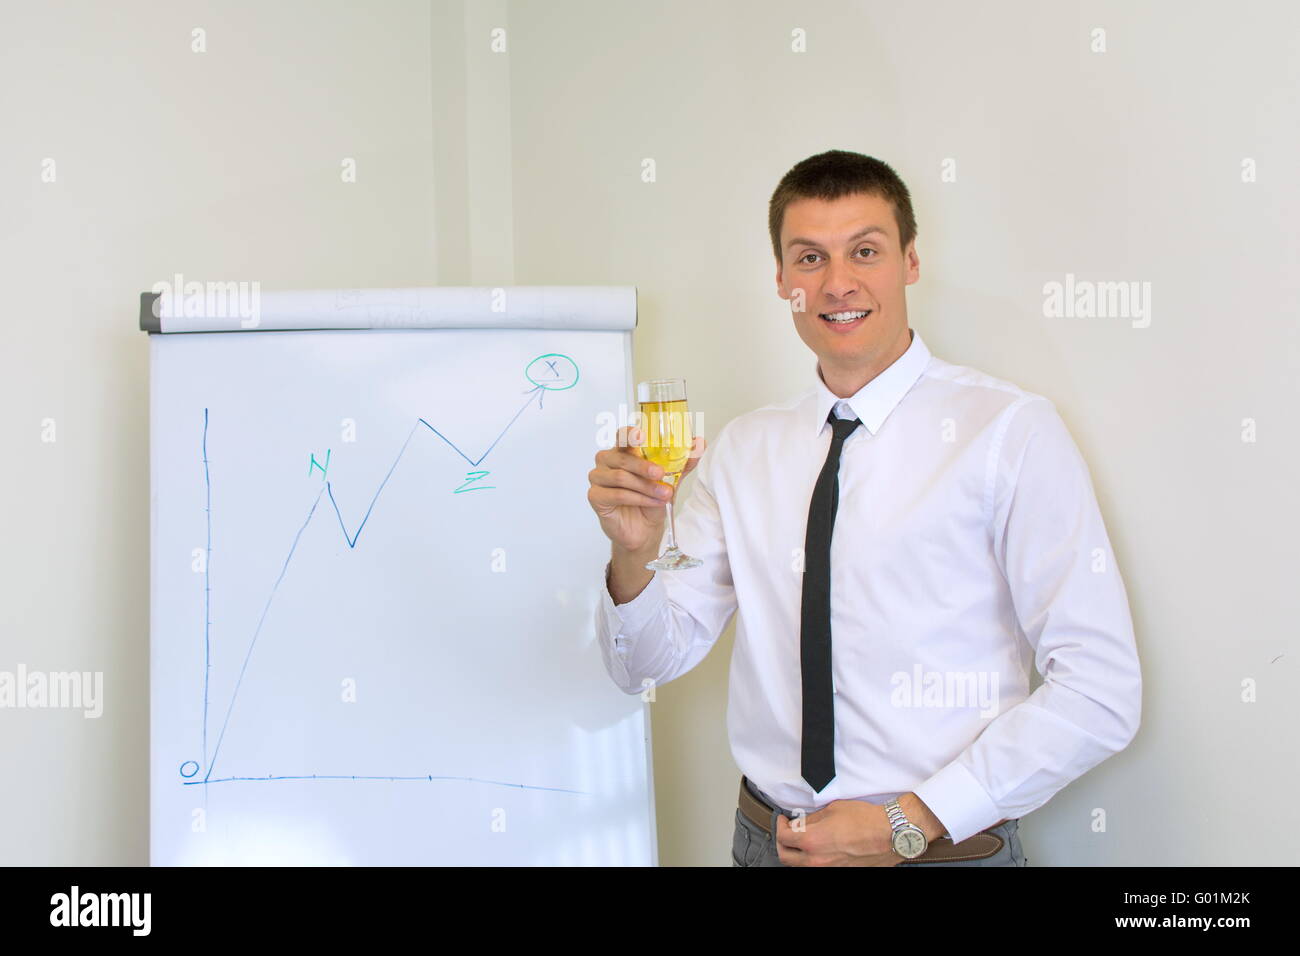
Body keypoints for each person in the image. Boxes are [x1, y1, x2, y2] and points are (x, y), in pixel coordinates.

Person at [586, 150, 1141, 867]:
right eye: (809, 258)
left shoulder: (1009, 431)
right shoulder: (744, 449)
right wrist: (634, 553)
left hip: (941, 851)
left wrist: (910, 820)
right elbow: (647, 668)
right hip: (767, 844)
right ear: (782, 280)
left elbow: (1102, 690)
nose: (838, 283)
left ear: (910, 260)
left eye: (866, 251)